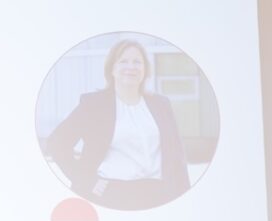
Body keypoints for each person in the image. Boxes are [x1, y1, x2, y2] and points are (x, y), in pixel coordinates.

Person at [44, 39, 190, 209]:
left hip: (160, 195)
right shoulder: (93, 104)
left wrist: (185, 198)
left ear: (145, 70)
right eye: (123, 61)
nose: (131, 67)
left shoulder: (161, 104)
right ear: (111, 69)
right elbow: (57, 143)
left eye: (137, 62)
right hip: (112, 195)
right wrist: (85, 181)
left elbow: (177, 154)